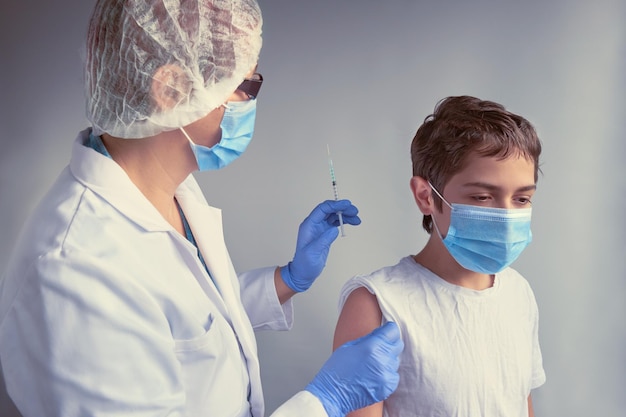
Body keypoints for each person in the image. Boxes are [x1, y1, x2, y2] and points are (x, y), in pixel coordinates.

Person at [0, 1, 404, 416]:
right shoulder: (76, 271)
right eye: (245, 86)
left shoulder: (167, 188)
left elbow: (190, 326)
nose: (250, 100)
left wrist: (288, 279)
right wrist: (325, 401)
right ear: (171, 89)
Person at [333, 95, 546, 417]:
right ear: (425, 196)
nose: (505, 215)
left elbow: (520, 402)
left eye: (521, 199)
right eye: (482, 197)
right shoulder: (377, 303)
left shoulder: (518, 292)